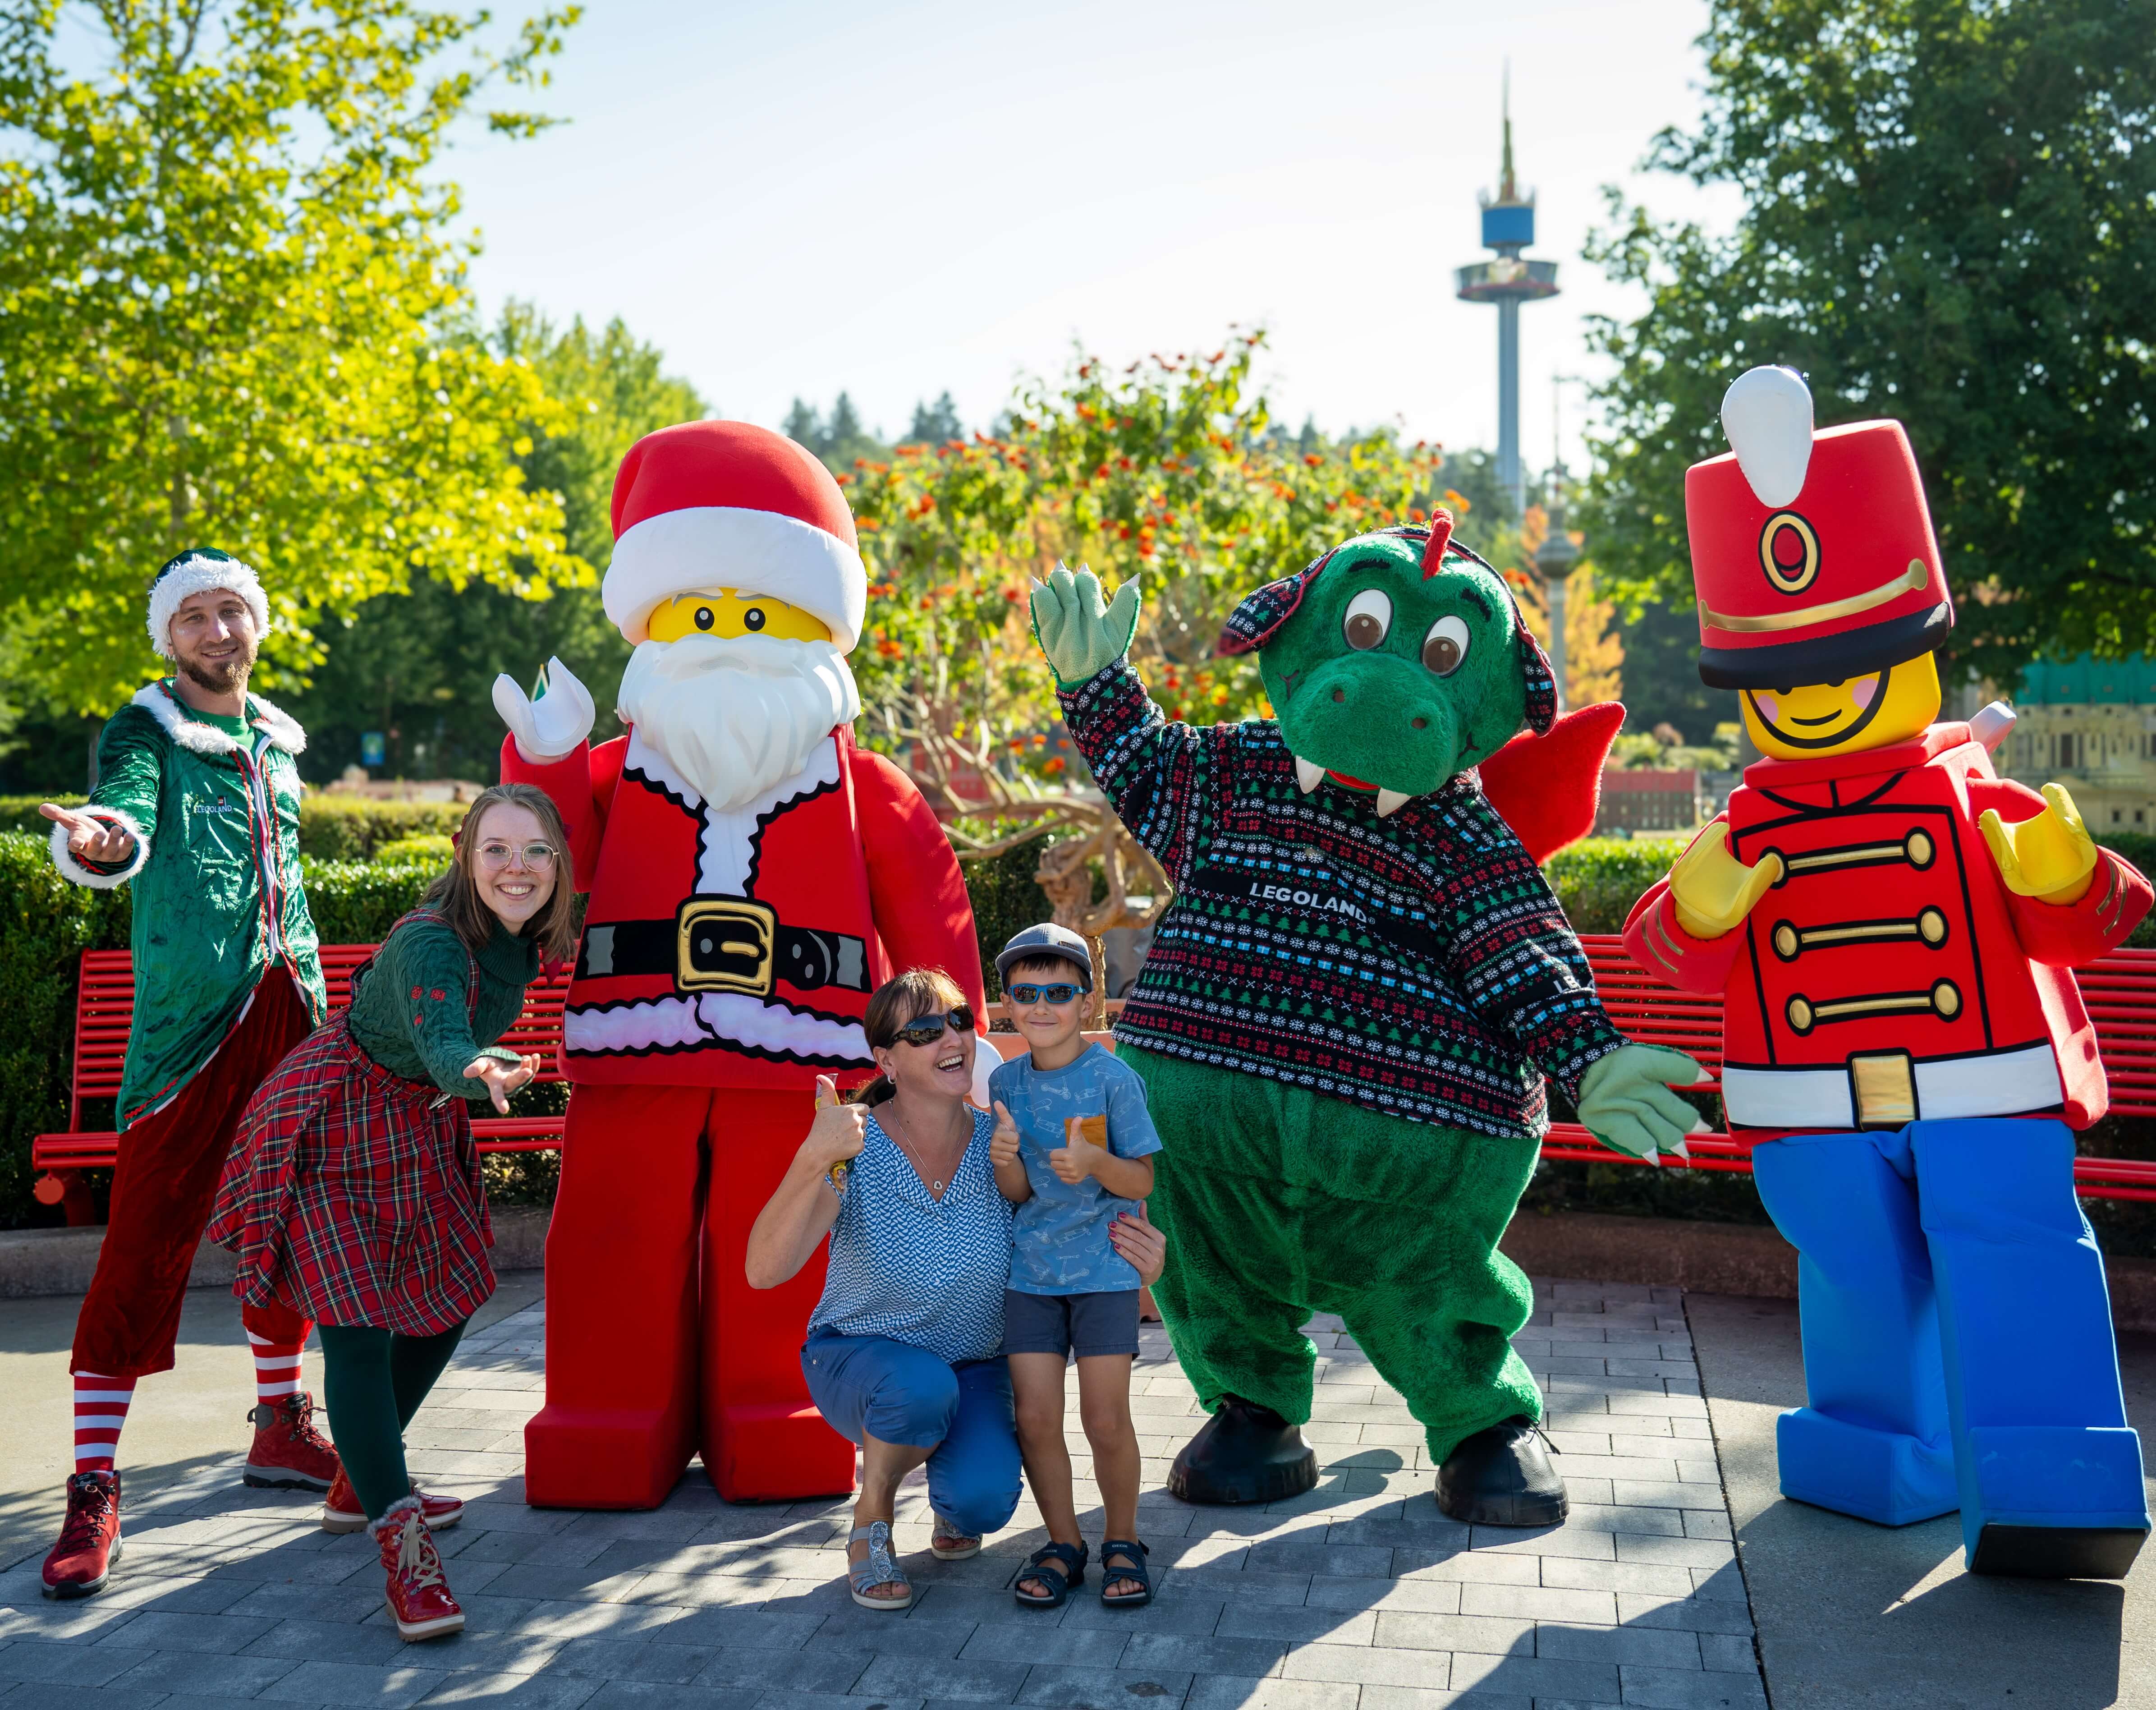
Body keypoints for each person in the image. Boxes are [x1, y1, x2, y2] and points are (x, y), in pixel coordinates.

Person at [494, 420, 991, 1509]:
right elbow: (539, 856)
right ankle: (609, 1416)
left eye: (758, 617)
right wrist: (540, 759)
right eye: (701, 615)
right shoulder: (619, 773)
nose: (728, 638)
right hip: (634, 1055)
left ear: (819, 628)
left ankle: (785, 1415)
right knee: (616, 1245)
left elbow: (931, 914)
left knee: (796, 1243)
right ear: (653, 624)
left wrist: (965, 1052)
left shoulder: (869, 790)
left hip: (801, 1068)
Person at [208, 783, 576, 1641]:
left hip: (413, 1125)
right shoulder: (432, 944)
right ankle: (401, 1542)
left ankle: (359, 1482)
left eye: (535, 852)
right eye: (496, 850)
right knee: (357, 1330)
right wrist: (477, 1070)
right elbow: (446, 1037)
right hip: (334, 1121)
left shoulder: (522, 935)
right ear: (463, 854)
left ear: (558, 863)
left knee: (450, 1299)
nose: (515, 868)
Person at [38, 549, 336, 1601]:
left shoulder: (276, 742)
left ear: (257, 626)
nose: (217, 633)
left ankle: (280, 1427)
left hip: (291, 1012)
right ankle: (92, 1482)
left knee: (291, 1223)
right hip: (186, 1030)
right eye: (195, 619)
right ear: (168, 638)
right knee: (145, 1242)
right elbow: (125, 816)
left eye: (232, 614)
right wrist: (108, 838)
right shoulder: (146, 732)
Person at [745, 967, 1166, 1612]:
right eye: (922, 1030)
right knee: (918, 1390)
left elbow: (1067, 1222)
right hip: (862, 1360)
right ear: (886, 1057)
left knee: (984, 1501)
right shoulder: (852, 1143)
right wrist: (812, 1158)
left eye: (958, 1020)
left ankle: (952, 1494)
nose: (950, 1037)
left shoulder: (1001, 1143)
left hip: (973, 1365)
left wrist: (1145, 1254)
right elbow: (765, 1271)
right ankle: (871, 1522)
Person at [986, 924, 1161, 1609]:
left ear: (1086, 1003)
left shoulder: (1115, 1080)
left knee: (1105, 1419)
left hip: (1104, 1275)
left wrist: (1095, 1163)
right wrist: (1004, 1163)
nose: (1042, 1006)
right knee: (1033, 1418)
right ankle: (1064, 1543)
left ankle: (1123, 1540)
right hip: (1029, 1276)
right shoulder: (1003, 1079)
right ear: (1007, 1002)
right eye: (1027, 993)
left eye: (1059, 992)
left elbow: (1140, 1182)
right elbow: (1020, 1195)